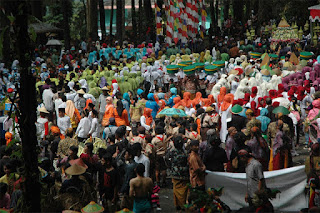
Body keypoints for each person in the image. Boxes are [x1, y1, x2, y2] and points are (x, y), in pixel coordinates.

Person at [166, 136, 189, 211]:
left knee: (176, 190)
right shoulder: (186, 152)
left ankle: (178, 205)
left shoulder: (171, 152)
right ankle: (183, 205)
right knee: (184, 191)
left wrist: (171, 168)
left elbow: (167, 161)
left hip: (175, 174)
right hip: (185, 175)